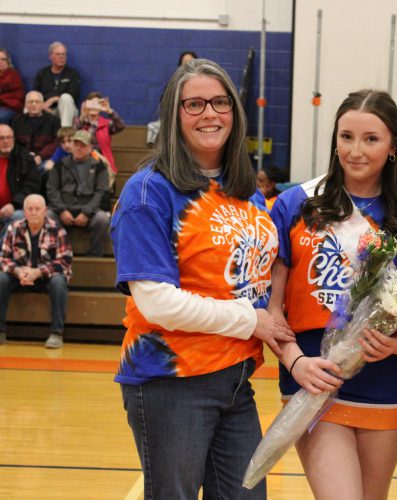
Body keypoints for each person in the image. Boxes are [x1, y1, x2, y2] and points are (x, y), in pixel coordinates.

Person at [110, 58, 293, 499]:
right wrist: (253, 322)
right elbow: (158, 303)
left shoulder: (244, 187)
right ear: (174, 114)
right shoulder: (149, 191)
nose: (209, 114)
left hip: (235, 378)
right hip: (171, 383)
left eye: (219, 102)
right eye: (194, 104)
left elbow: (259, 279)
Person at [268, 89, 397, 500]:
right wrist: (294, 360)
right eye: (346, 136)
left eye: (371, 139)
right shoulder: (293, 205)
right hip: (313, 381)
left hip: (387, 389)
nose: (355, 150)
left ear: (392, 148)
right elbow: (271, 308)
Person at [0, 193, 72, 348]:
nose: (33, 212)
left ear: (45, 211)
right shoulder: (13, 228)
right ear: (24, 211)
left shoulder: (57, 230)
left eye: (37, 209)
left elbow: (64, 262)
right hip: (19, 276)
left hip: (45, 279)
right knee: (1, 278)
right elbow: (3, 258)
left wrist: (38, 272)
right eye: (30, 209)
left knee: (59, 281)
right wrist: (19, 272)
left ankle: (56, 333)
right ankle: (0, 332)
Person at [46, 130, 111, 257]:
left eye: (83, 145)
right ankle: (54, 254)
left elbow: (101, 192)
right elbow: (52, 190)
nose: (78, 148)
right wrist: (62, 210)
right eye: (75, 144)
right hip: (64, 208)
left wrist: (87, 212)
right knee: (48, 215)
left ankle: (94, 255)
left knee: (102, 219)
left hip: (89, 211)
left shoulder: (99, 167)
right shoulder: (60, 165)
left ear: (90, 148)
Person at [146, 50, 198, 146]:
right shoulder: (174, 82)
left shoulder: (202, 81)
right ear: (180, 65)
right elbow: (164, 100)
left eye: (191, 62)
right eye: (185, 62)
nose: (188, 65)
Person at [0, 124, 41, 239]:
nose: (6, 141)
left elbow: (31, 187)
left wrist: (14, 204)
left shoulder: (25, 159)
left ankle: (2, 251)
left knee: (19, 217)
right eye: (1, 138)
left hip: (15, 209)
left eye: (9, 137)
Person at [74, 91, 126, 176]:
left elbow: (121, 126)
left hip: (103, 164)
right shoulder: (81, 123)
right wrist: (82, 116)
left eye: (97, 104)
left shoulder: (106, 124)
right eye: (91, 103)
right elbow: (72, 133)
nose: (94, 107)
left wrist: (109, 111)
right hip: (83, 164)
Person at [33, 42, 80, 127]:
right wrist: (42, 106)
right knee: (29, 103)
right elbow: (36, 93)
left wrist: (53, 99)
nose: (61, 57)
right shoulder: (42, 73)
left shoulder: (73, 74)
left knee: (66, 97)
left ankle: (64, 133)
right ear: (50, 56)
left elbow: (73, 95)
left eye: (63, 54)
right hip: (45, 108)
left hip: (67, 110)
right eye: (58, 54)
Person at [10, 91, 61, 167]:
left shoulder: (54, 121)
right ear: (26, 105)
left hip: (45, 158)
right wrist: (26, 155)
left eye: (37, 102)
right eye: (30, 102)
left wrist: (40, 156)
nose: (34, 104)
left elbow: (56, 143)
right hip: (22, 158)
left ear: (43, 104)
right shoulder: (17, 121)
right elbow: (13, 142)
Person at [0, 48, 25, 124]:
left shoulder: (13, 75)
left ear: (8, 61)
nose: (0, 62)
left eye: (3, 59)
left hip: (9, 107)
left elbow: (17, 96)